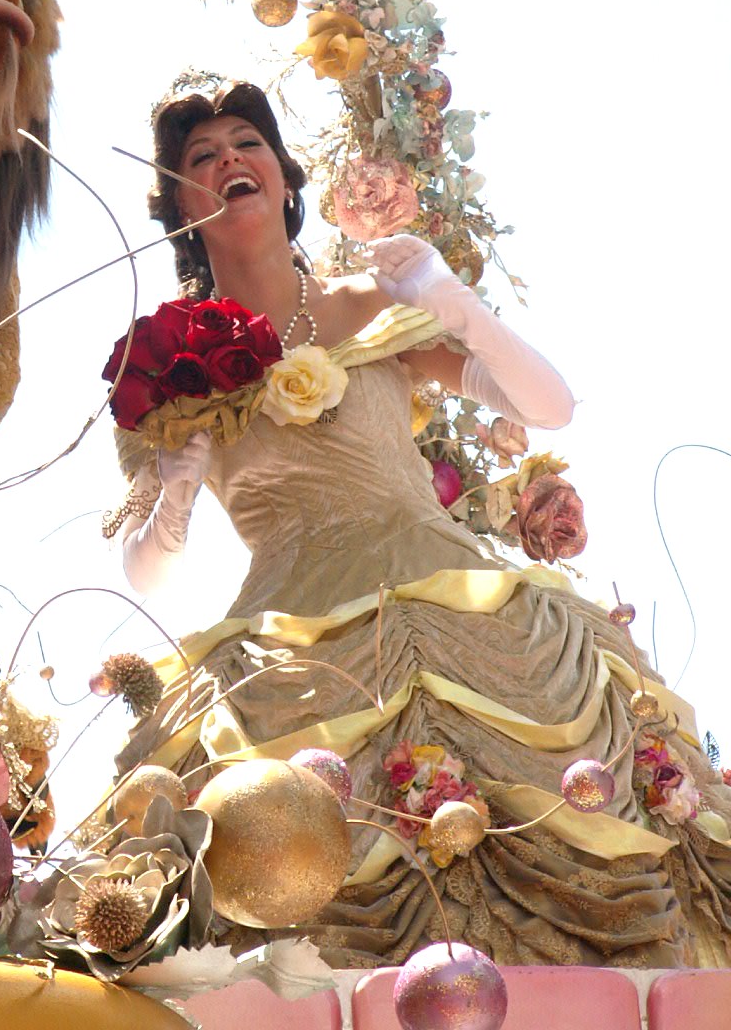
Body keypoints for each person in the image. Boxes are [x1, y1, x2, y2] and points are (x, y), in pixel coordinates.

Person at [107, 80, 731, 969]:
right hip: (293, 643)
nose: (227, 162)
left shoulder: (369, 303)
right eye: (200, 159)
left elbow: (547, 407)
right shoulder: (162, 357)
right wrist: (175, 493)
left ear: (285, 180)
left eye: (245, 143)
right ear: (181, 211)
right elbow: (149, 578)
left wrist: (458, 306)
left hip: (459, 596)